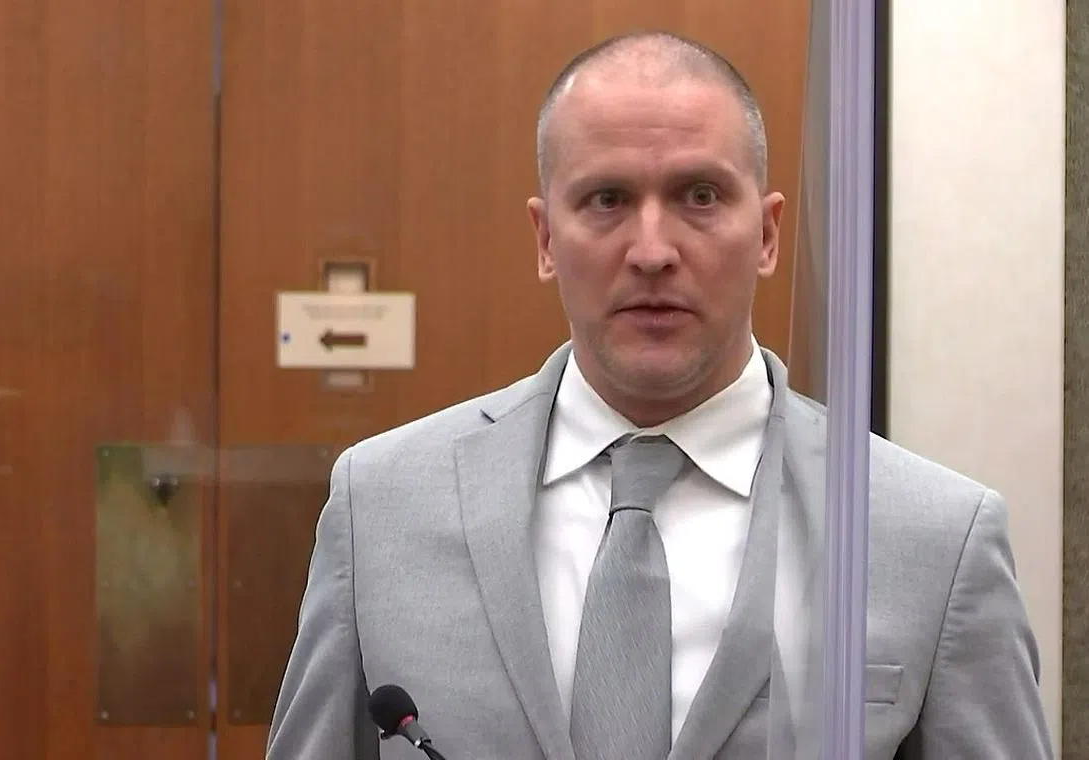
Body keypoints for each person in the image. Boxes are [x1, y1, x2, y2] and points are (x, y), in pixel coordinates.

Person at [264, 30, 1054, 760]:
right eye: (606, 200)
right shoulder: (382, 505)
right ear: (545, 239)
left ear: (770, 234)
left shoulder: (934, 537)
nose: (651, 251)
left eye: (700, 196)